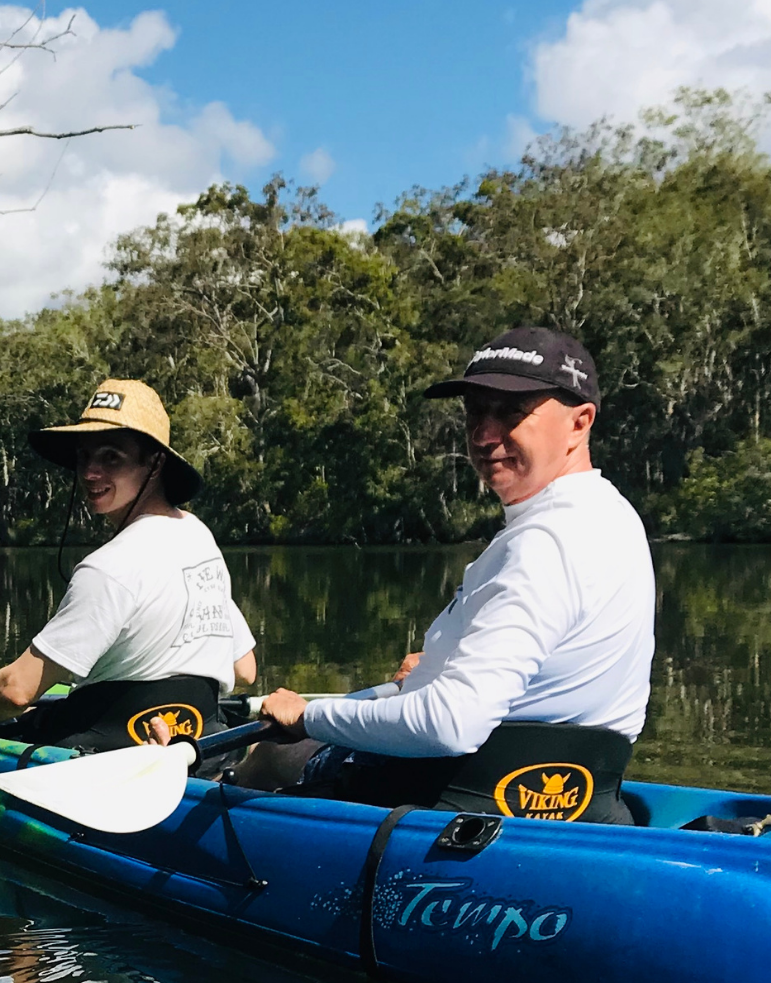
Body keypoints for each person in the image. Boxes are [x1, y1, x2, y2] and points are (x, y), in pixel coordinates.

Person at [240, 327, 654, 823]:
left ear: (579, 422)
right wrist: (443, 665)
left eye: (511, 412)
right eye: (476, 412)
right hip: (582, 801)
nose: (483, 435)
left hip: (466, 800)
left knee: (270, 757)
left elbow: (453, 722)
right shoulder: (611, 514)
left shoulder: (543, 542)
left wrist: (308, 714)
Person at [0, 379, 258, 752]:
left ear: (155, 462)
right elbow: (244, 669)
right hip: (199, 742)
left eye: (111, 457)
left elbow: (16, 691)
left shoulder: (108, 567)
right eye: (84, 457)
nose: (90, 473)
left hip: (103, 754)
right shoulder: (198, 537)